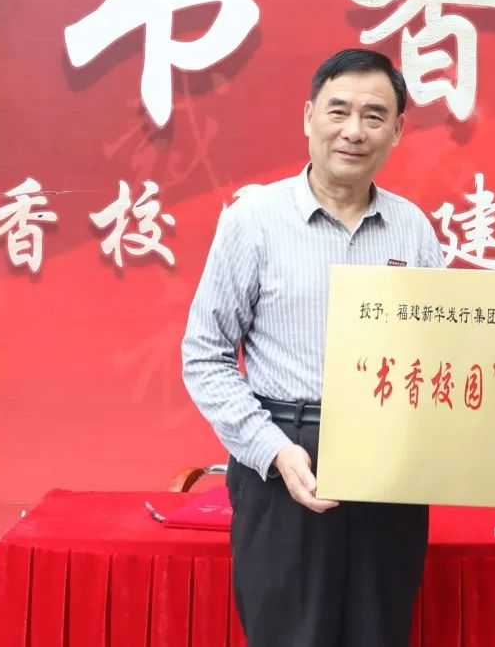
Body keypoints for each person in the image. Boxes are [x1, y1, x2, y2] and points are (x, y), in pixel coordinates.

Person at [182, 48, 443, 647]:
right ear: (308, 117)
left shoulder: (412, 229)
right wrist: (272, 449)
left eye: (375, 116)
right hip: (284, 457)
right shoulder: (253, 222)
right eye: (338, 111)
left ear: (398, 129)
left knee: (380, 632)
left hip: (389, 465)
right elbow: (205, 354)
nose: (354, 131)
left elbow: (436, 355)